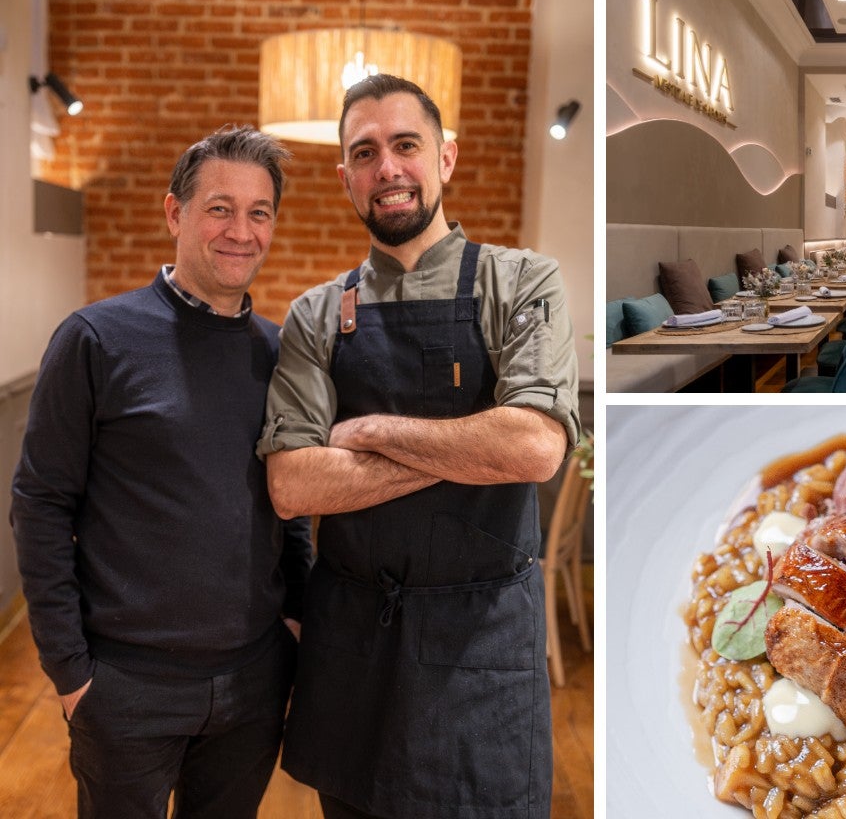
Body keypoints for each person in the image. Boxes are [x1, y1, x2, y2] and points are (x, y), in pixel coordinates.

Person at [257, 74, 580, 819]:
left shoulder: (523, 282)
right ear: (345, 177)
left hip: (482, 648)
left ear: (446, 158)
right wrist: (468, 449)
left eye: (407, 145)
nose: (388, 169)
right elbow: (293, 486)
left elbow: (531, 449)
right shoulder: (315, 313)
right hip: (354, 650)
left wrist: (366, 432)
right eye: (364, 153)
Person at [10, 126, 313, 819]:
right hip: (125, 687)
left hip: (252, 683)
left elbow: (287, 499)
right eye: (219, 208)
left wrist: (294, 618)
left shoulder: (279, 353)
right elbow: (40, 503)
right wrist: (72, 674)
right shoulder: (95, 339)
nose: (241, 231)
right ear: (175, 213)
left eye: (258, 212)